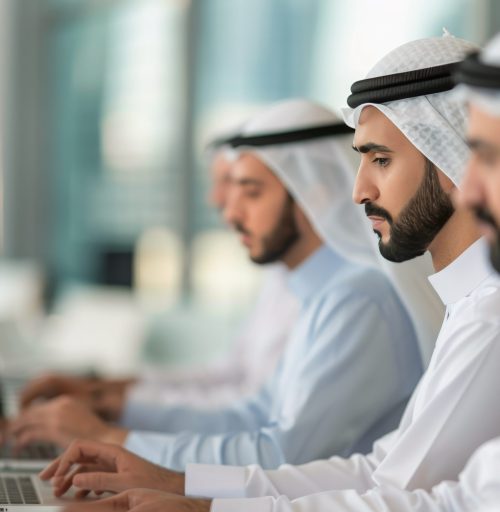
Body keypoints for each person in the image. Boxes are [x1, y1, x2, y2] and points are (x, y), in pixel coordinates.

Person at [8, 99, 423, 471]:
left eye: (252, 193)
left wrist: (110, 439)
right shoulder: (319, 290)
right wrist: (108, 410)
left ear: (311, 195)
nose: (228, 213)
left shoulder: (356, 298)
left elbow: (284, 454)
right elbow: (252, 414)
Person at [17, 143, 300, 420]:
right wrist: (101, 392)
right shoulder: (280, 277)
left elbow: (255, 417)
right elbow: (226, 377)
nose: (222, 204)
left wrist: (109, 416)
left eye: (247, 189)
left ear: (308, 190)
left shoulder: (330, 293)